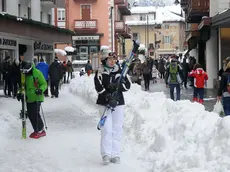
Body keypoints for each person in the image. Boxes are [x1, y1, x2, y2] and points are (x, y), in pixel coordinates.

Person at [94, 52, 131, 165]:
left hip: (118, 103)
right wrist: (108, 96)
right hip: (104, 104)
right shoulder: (100, 72)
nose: (112, 61)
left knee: (117, 129)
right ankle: (106, 154)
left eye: (114, 59)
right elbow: (98, 86)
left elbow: (127, 86)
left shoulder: (120, 71)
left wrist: (120, 85)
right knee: (107, 129)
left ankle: (115, 154)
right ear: (105, 60)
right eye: (109, 59)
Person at [17, 61, 47, 139]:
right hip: (28, 98)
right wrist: (19, 93)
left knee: (35, 113)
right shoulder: (24, 75)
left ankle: (41, 130)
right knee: (30, 114)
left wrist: (40, 89)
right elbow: (22, 86)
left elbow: (44, 84)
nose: (25, 73)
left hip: (37, 97)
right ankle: (36, 130)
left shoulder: (37, 73)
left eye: (26, 72)